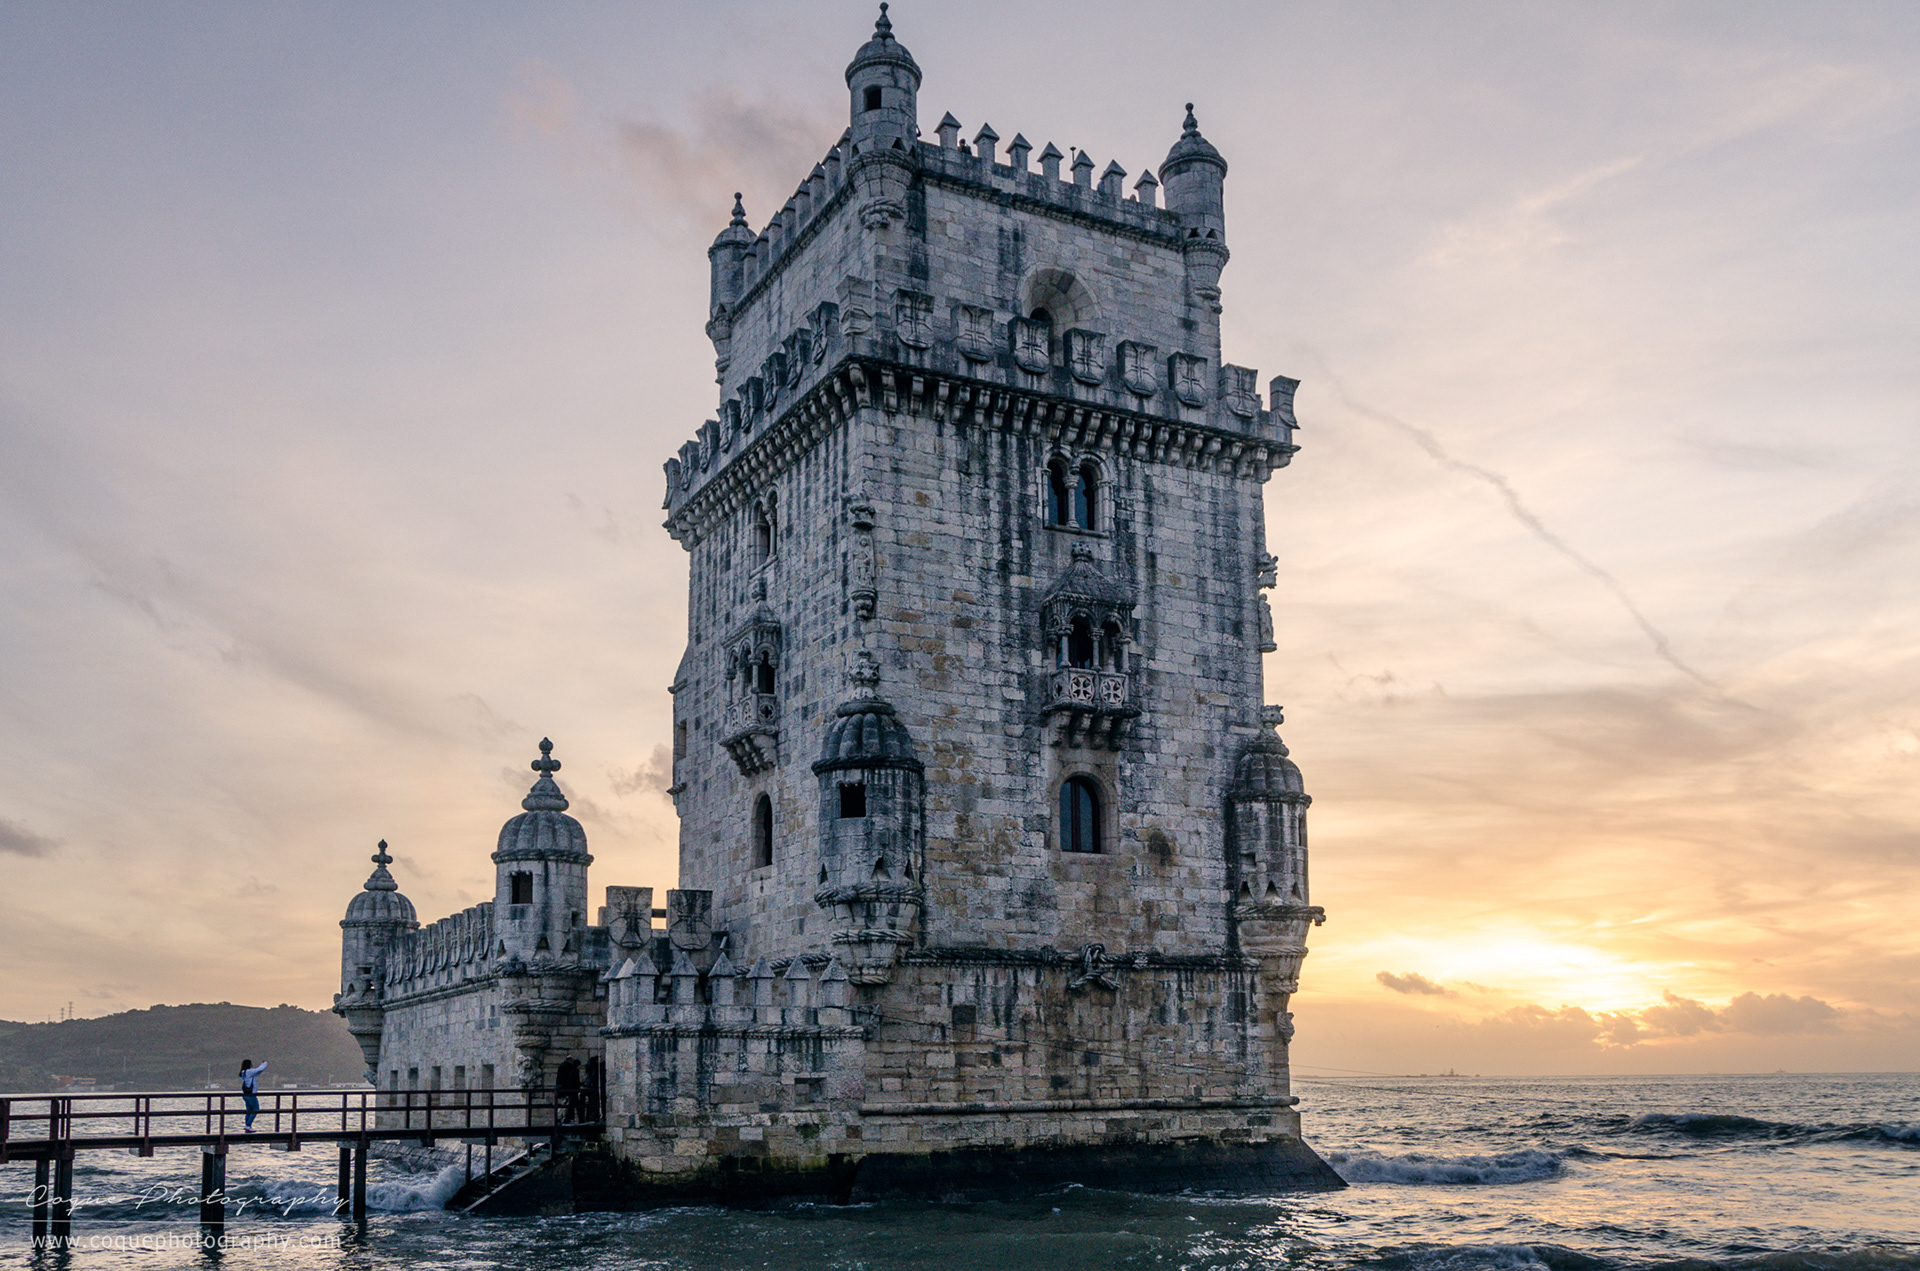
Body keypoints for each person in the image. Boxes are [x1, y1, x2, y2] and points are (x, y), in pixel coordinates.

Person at [238, 1058, 268, 1132]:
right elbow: (259, 1069)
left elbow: (257, 1072)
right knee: (255, 1109)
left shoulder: (243, 1072)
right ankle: (248, 1125)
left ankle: (248, 1125)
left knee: (249, 1110)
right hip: (251, 1094)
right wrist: (264, 1063)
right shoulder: (249, 1071)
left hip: (245, 1094)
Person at [555, 1055, 583, 1124]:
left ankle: (567, 1119)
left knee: (570, 1105)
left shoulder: (562, 1066)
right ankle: (568, 1119)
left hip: (564, 1088)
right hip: (568, 1089)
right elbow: (569, 1080)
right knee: (570, 1105)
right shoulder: (570, 1068)